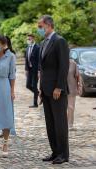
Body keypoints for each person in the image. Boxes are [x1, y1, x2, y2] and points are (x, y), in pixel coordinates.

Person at [37, 15, 69, 164]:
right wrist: (40, 88)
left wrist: (59, 87)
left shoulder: (59, 41)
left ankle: (63, 154)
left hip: (57, 90)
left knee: (60, 123)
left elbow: (63, 66)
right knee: (50, 123)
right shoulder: (43, 42)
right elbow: (43, 68)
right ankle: (55, 151)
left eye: (40, 27)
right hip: (46, 90)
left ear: (48, 25)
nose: (39, 30)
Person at [25, 34, 40, 108]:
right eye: (27, 39)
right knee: (28, 85)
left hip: (35, 70)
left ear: (33, 39)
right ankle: (37, 93)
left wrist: (39, 71)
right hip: (29, 70)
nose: (28, 40)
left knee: (34, 85)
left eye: (29, 39)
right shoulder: (27, 48)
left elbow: (39, 60)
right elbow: (26, 59)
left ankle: (35, 103)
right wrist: (26, 69)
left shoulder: (37, 48)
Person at [67, 59, 79, 129]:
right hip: (61, 88)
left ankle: (70, 124)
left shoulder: (73, 63)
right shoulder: (58, 61)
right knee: (62, 108)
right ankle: (64, 123)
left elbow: (77, 76)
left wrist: (78, 87)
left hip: (72, 87)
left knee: (71, 107)